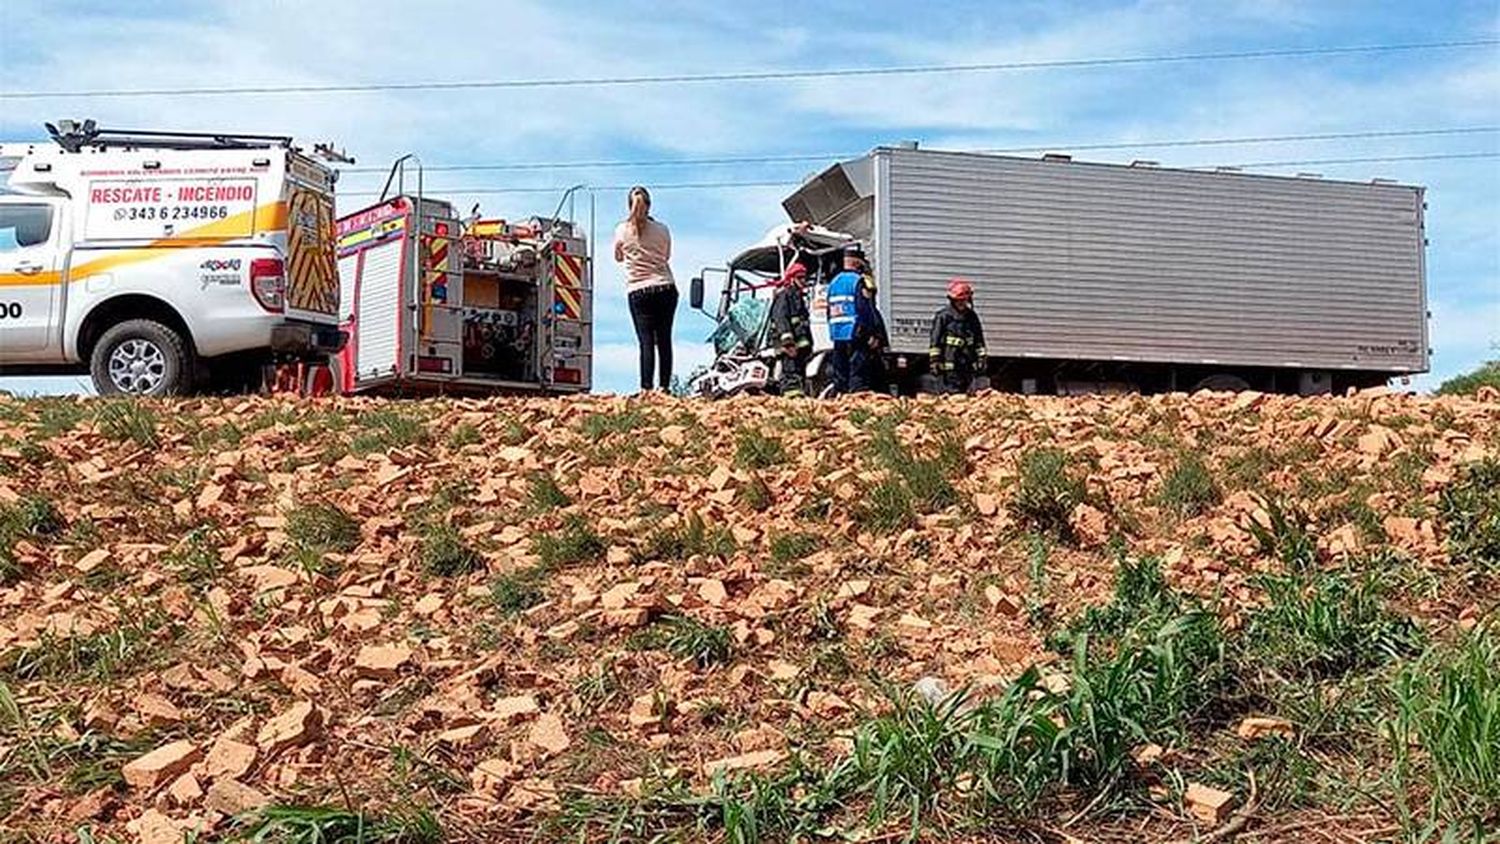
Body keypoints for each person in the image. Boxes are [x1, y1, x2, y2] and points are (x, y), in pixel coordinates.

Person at [613, 186, 677, 392]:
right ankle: (665, 387)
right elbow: (666, 256)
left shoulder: (622, 230)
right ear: (649, 205)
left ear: (628, 205)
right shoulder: (663, 229)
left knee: (646, 341)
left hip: (638, 290)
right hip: (665, 286)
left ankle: (646, 388)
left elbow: (618, 257)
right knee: (664, 339)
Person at [826, 244, 886, 394]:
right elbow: (865, 310)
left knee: (841, 376)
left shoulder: (834, 283)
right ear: (856, 262)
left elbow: (829, 310)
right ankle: (855, 407)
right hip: (857, 335)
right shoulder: (859, 281)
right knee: (858, 374)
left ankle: (840, 402)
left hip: (838, 335)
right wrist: (872, 335)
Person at [928, 278, 988, 394]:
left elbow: (979, 339)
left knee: (967, 393)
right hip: (950, 362)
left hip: (967, 362)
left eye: (964, 300)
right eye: (959, 301)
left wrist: (982, 358)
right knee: (952, 393)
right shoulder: (943, 316)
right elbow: (935, 341)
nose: (961, 303)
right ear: (952, 300)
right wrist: (934, 361)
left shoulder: (971, 316)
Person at [769, 262, 814, 396]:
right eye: (800, 278)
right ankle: (792, 402)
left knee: (798, 376)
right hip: (790, 348)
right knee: (791, 376)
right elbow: (780, 319)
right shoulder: (784, 296)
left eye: (804, 278)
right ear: (792, 279)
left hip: (798, 348)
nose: (804, 281)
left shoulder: (797, 296)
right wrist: (788, 343)